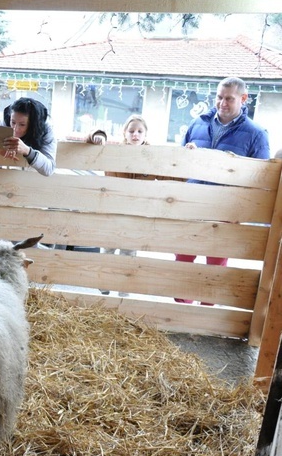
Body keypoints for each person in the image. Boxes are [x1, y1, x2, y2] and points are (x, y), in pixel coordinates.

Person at [174, 76, 270, 305]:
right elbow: (177, 162)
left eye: (229, 98)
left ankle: (207, 312)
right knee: (182, 257)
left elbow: (261, 180)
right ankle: (181, 312)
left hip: (227, 210)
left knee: (216, 263)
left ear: (243, 99)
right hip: (193, 204)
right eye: (219, 97)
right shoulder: (197, 123)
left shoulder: (257, 134)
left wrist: (243, 213)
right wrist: (187, 154)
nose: (222, 103)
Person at [86, 114, 153, 296]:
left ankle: (124, 292)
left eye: (140, 131)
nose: (135, 135)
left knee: (128, 253)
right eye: (131, 131)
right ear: (124, 132)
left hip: (136, 215)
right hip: (113, 211)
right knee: (107, 249)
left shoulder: (151, 156)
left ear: (146, 135)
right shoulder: (114, 152)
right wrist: (97, 134)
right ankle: (104, 286)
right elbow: (92, 138)